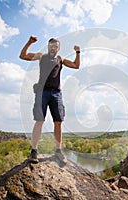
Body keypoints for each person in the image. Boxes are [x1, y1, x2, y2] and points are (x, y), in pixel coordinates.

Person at [19, 35, 80, 163]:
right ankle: (34, 151)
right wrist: (29, 42)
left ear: (58, 48)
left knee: (58, 122)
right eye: (51, 45)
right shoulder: (41, 56)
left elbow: (75, 65)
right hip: (42, 92)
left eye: (56, 46)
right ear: (48, 46)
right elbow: (23, 55)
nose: (53, 47)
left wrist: (78, 52)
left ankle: (58, 151)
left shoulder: (60, 59)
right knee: (39, 120)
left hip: (56, 94)